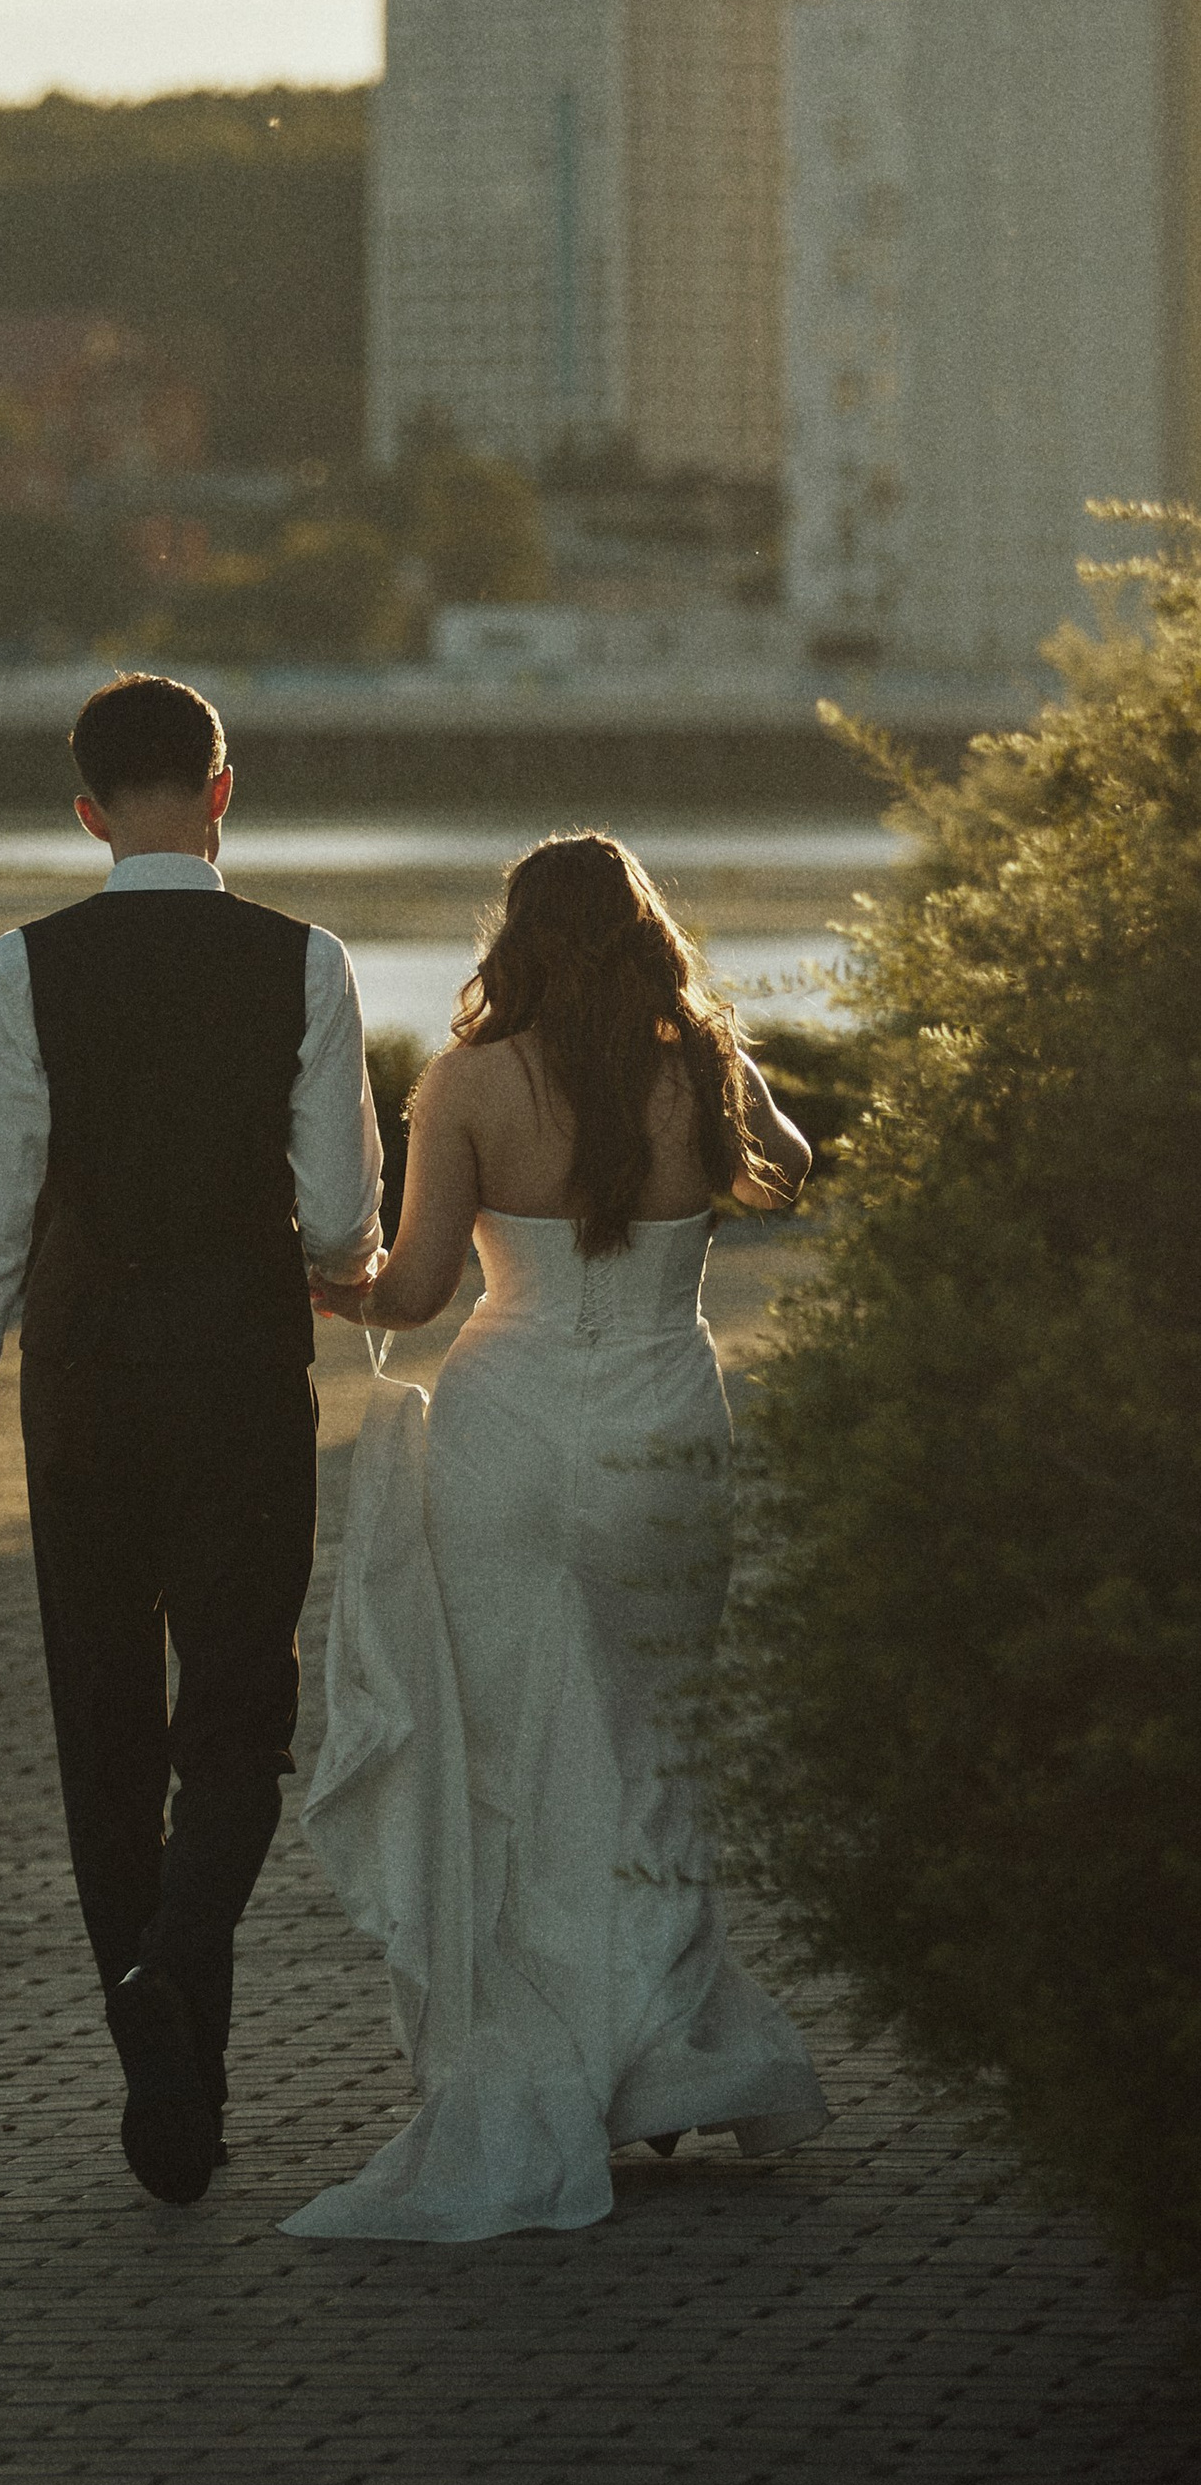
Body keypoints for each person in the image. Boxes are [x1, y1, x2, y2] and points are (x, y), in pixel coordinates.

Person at [283, 829, 831, 2245]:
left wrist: (320, 1282)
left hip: (508, 1429)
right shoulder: (696, 1064)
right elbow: (794, 1168)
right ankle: (657, 2051)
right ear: (647, 933)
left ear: (514, 937)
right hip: (661, 1424)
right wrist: (730, 1061)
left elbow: (409, 1296)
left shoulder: (466, 1080)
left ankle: (542, 2047)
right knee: (656, 1740)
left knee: (516, 1747)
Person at [0, 672, 385, 2206]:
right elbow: (336, 1213)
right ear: (225, 790)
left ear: (87, 812)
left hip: (88, 1377)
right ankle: (180, 1986)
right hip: (244, 1369)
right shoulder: (305, 963)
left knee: (105, 1724)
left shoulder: (23, 965)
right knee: (241, 1712)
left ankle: (164, 2050)